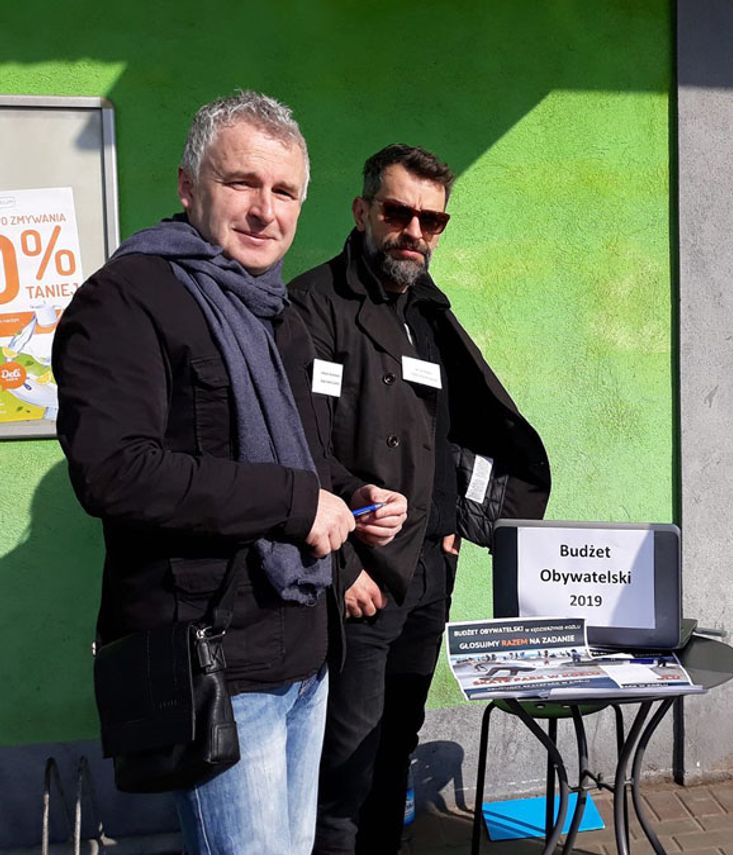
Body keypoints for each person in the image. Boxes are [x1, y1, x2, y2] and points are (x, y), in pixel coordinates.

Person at [53, 91, 408, 854]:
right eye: (240, 182)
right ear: (189, 186)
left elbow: (301, 453)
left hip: (304, 654)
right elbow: (114, 472)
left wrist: (351, 495)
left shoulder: (274, 311)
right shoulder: (126, 298)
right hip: (215, 664)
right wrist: (295, 503)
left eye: (283, 192)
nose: (263, 210)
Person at [289, 144, 550, 853]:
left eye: (431, 221)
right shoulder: (314, 306)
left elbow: (454, 429)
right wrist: (346, 569)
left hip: (430, 571)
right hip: (365, 576)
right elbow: (300, 450)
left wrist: (456, 524)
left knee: (393, 748)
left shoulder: (427, 312)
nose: (414, 232)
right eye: (399, 212)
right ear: (363, 210)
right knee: (345, 769)